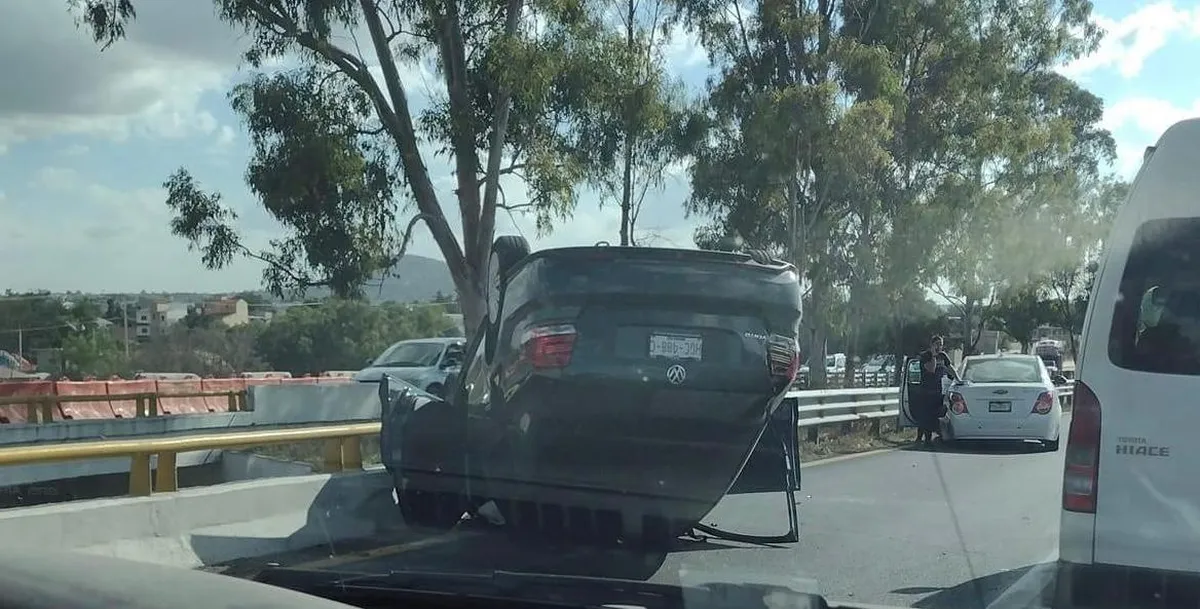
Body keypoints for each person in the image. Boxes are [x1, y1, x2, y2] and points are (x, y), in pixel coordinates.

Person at [916, 335, 957, 448]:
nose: (939, 346)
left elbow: (950, 368)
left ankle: (933, 438)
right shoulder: (925, 356)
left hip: (938, 391)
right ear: (932, 344)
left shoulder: (943, 356)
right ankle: (922, 439)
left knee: (935, 416)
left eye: (941, 344)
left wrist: (958, 379)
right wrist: (933, 355)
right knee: (925, 416)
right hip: (925, 391)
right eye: (937, 344)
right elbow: (931, 369)